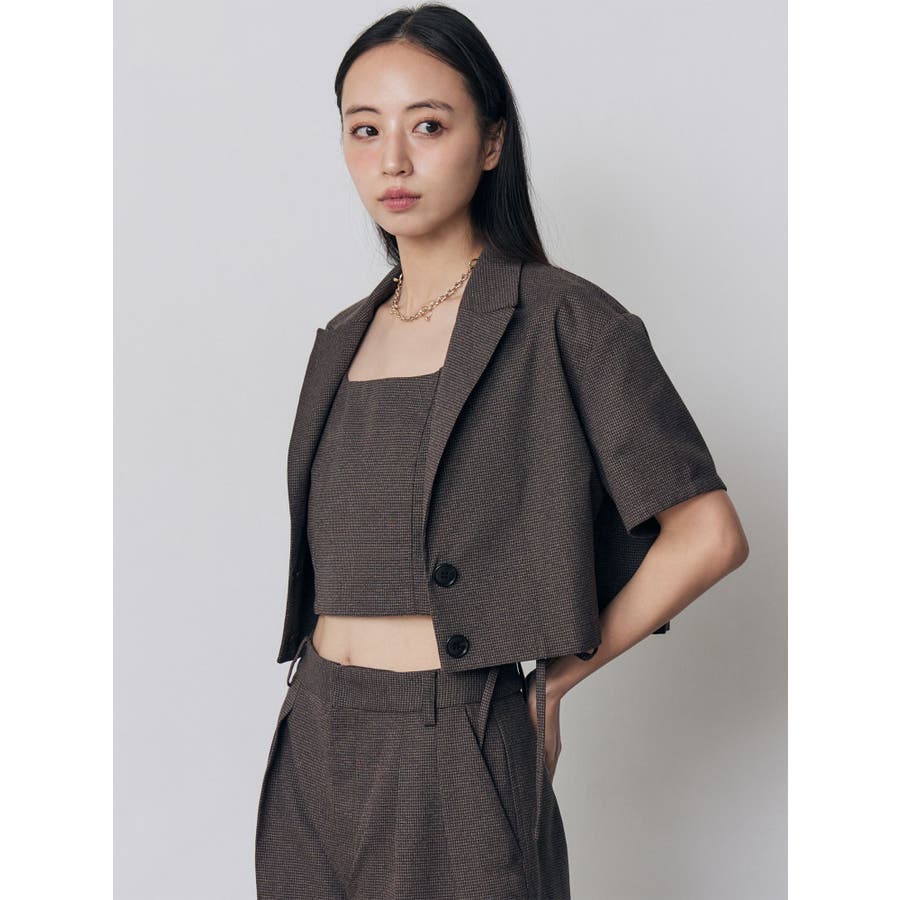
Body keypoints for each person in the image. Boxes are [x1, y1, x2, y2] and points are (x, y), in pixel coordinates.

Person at [255, 5, 750, 899]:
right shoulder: (340, 338)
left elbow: (708, 534)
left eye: (428, 126)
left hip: (455, 738)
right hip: (314, 731)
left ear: (491, 142)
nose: (392, 160)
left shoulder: (566, 320)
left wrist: (555, 681)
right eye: (365, 130)